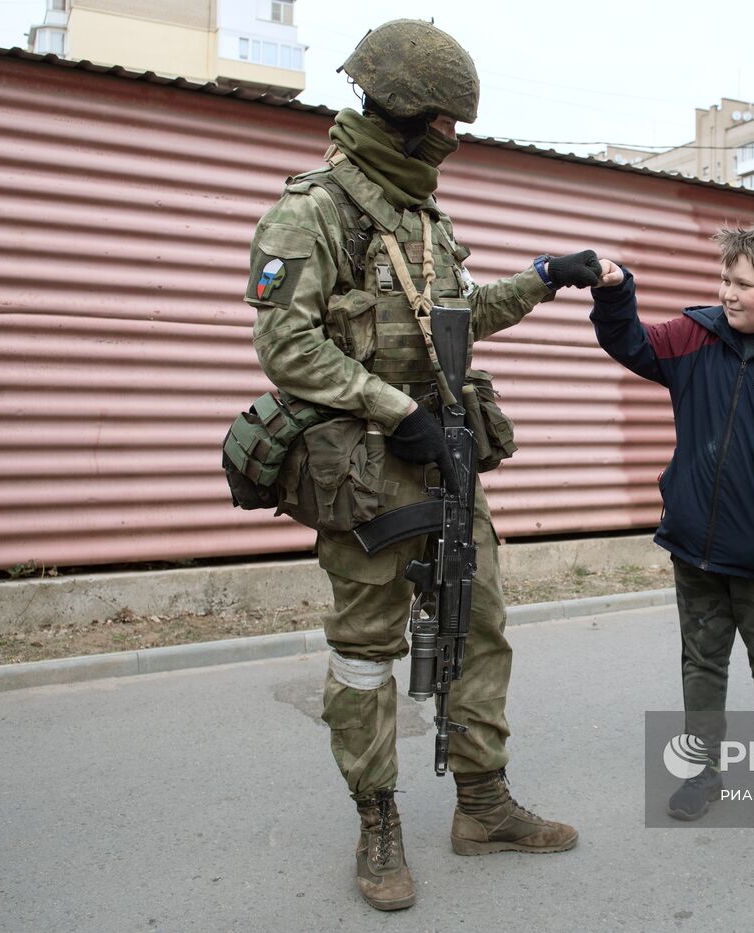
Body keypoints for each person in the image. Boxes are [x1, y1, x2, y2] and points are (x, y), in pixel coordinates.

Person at [243, 20, 598, 911]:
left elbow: (459, 319)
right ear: (400, 111)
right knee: (367, 653)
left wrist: (548, 276)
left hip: (447, 459)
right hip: (364, 468)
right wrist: (391, 407)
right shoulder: (313, 208)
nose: (453, 136)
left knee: (480, 626)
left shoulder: (424, 216)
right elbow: (286, 345)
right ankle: (377, 820)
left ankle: (482, 805)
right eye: (444, 119)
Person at [588, 221, 754, 829]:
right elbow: (632, 343)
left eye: (743, 284)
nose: (728, 294)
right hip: (693, 550)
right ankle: (701, 772)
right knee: (701, 665)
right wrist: (615, 291)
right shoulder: (695, 337)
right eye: (724, 280)